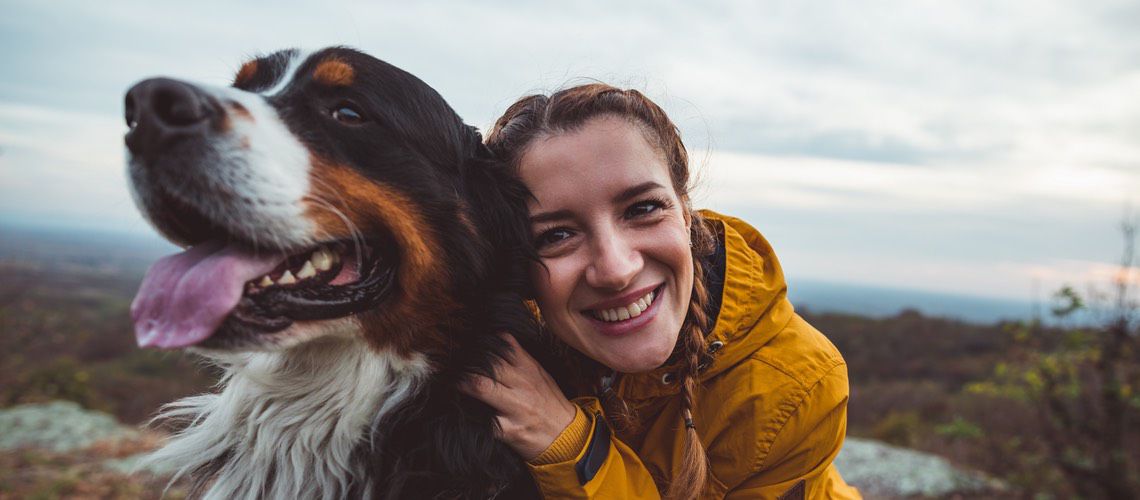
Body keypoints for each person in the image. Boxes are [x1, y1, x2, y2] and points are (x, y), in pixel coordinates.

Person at [464, 83, 862, 499]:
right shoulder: (500, 345)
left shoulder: (795, 385)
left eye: (643, 209)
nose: (616, 270)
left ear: (686, 214)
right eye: (557, 234)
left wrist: (574, 449)